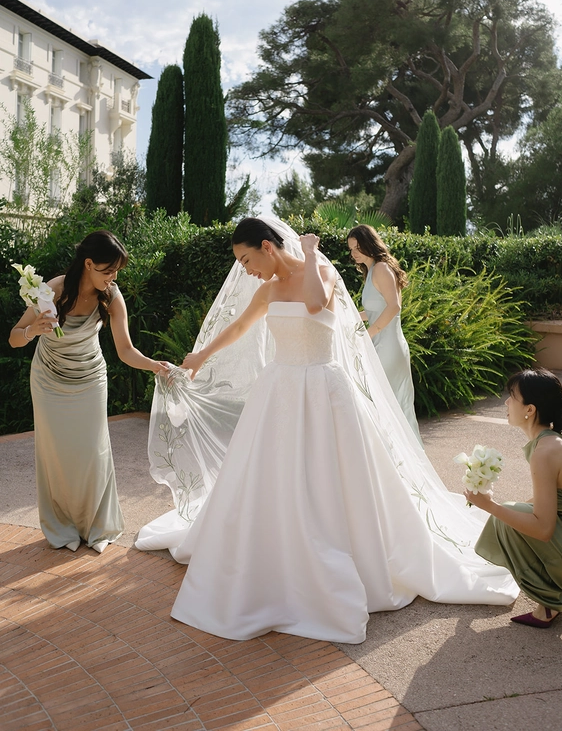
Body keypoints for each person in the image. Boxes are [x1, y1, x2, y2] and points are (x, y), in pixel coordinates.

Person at [137, 217, 518, 644]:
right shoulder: (266, 291)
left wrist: (313, 251)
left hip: (323, 387)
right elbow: (241, 327)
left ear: (267, 246)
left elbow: (317, 306)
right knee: (273, 473)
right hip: (279, 388)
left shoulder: (319, 273)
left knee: (330, 473)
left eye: (247, 259)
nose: (245, 270)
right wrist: (201, 355)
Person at [9, 230, 169, 554]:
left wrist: (154, 365)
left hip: (90, 379)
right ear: (88, 264)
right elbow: (14, 337)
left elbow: (125, 350)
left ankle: (96, 526)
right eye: (108, 270)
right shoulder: (52, 291)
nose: (112, 278)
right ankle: (62, 526)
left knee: (92, 454)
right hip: (49, 380)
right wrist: (32, 330)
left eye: (116, 272)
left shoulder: (110, 296)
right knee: (56, 456)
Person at [468, 368, 562, 627]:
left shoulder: (546, 451)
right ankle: (559, 588)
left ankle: (552, 598)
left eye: (512, 397)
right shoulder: (552, 442)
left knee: (506, 518)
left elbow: (543, 530)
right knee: (513, 513)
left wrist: (489, 506)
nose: (506, 402)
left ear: (529, 409)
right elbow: (553, 503)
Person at [347, 224, 420, 440]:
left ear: (370, 243)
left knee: (390, 403)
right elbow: (374, 310)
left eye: (358, 247)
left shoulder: (380, 268)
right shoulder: (371, 271)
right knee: (383, 404)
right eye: (351, 249)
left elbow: (394, 306)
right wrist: (346, 316)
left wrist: (369, 334)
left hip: (388, 347)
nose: (354, 253)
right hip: (380, 344)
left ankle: (403, 460)